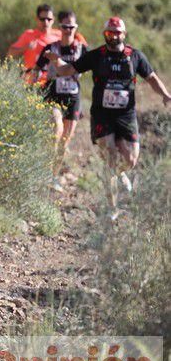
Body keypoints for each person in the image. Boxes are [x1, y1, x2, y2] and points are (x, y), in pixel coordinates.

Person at [46, 17, 171, 219]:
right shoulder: (97, 56)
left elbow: (152, 78)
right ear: (104, 34)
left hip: (126, 114)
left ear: (124, 34)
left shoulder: (135, 56)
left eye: (117, 32)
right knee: (110, 157)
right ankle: (111, 209)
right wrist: (54, 59)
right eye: (109, 33)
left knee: (130, 159)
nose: (113, 36)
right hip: (102, 115)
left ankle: (120, 174)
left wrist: (165, 94)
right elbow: (66, 70)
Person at [34, 10, 88, 191]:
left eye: (71, 27)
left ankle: (53, 176)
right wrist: (33, 82)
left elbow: (95, 69)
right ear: (60, 28)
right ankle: (43, 171)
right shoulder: (51, 48)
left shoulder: (82, 49)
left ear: (76, 28)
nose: (68, 30)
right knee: (56, 130)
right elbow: (37, 69)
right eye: (65, 27)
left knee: (65, 141)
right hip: (53, 95)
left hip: (73, 97)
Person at [7, 4, 61, 85]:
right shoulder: (29, 35)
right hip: (32, 83)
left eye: (49, 19)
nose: (46, 22)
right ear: (37, 19)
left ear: (53, 19)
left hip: (53, 83)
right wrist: (25, 47)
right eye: (42, 19)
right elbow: (10, 53)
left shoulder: (59, 36)